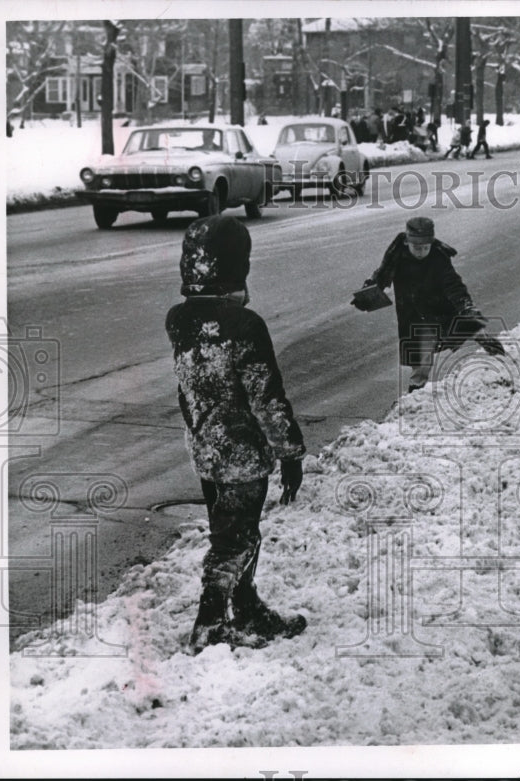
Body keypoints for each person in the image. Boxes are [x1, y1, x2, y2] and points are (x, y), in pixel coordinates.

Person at [165, 215, 308, 654]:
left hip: (206, 451)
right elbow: (266, 397)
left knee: (231, 532)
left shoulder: (180, 319)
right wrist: (291, 452)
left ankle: (245, 605)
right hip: (242, 454)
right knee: (236, 540)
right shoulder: (244, 325)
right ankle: (208, 626)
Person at [360, 216, 504, 393]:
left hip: (440, 306)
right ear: (407, 243)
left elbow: (454, 285)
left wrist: (466, 306)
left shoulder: (439, 258)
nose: (421, 252)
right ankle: (415, 391)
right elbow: (381, 275)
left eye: (425, 248)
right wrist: (369, 293)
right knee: (421, 354)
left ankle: (497, 354)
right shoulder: (397, 256)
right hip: (413, 313)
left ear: (431, 244)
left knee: (469, 324)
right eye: (416, 248)